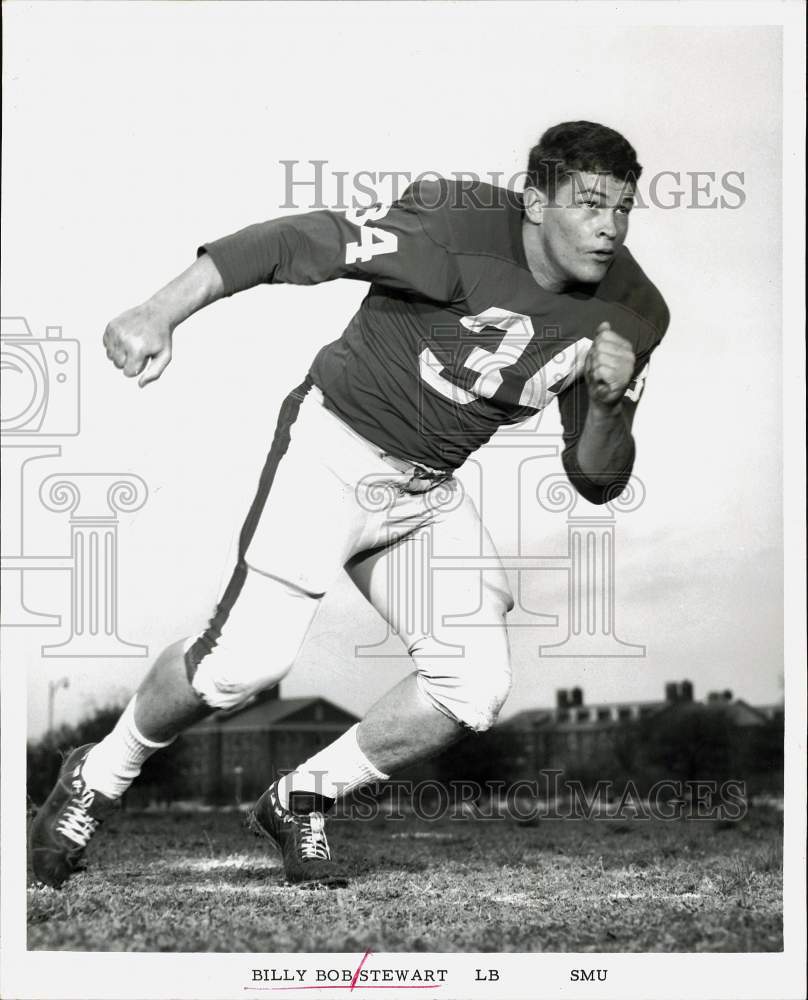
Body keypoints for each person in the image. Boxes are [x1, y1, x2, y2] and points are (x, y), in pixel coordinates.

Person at [31, 121, 669, 887]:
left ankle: (302, 798)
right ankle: (98, 774)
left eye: (624, 208)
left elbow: (596, 480)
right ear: (534, 201)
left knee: (472, 687)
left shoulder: (631, 310)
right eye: (590, 203)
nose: (609, 226)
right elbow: (298, 243)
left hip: (425, 491)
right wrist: (162, 309)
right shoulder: (452, 228)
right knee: (240, 667)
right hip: (335, 451)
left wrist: (603, 405)